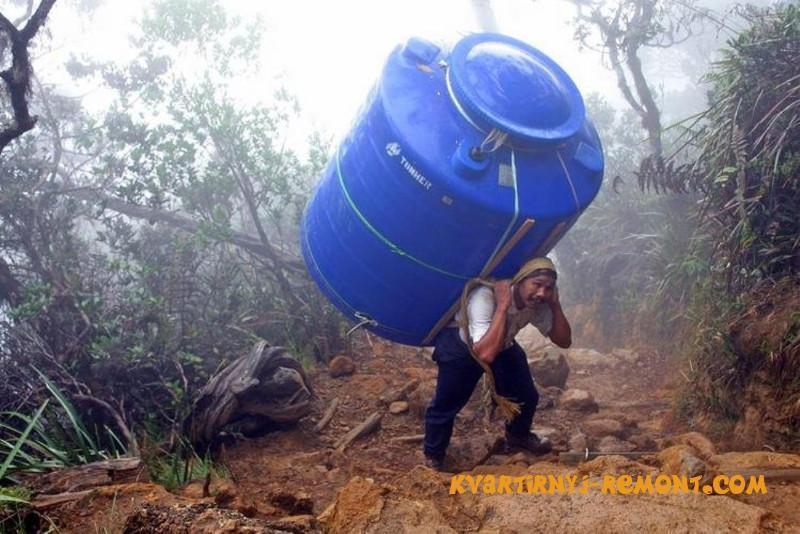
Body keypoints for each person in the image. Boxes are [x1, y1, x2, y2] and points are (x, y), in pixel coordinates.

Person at [423, 257, 571, 471]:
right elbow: (485, 354)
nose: (541, 293)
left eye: (548, 288)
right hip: (463, 347)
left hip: (501, 344)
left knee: (527, 396)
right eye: (536, 284)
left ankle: (518, 436)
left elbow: (564, 341)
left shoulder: (538, 303)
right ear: (519, 281)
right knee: (447, 404)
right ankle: (433, 456)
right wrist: (502, 306)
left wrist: (555, 305)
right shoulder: (485, 297)